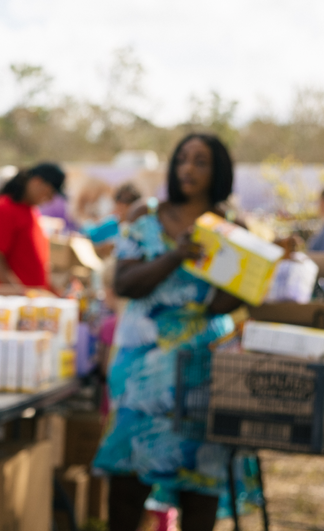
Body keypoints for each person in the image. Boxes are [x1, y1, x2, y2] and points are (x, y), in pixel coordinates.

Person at [92, 134, 253, 531]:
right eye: (182, 159)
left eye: (200, 161)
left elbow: (219, 304)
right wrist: (176, 255)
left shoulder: (231, 228)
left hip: (202, 366)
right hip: (141, 366)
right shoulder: (144, 219)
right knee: (127, 477)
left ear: (218, 171)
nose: (188, 169)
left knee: (200, 480)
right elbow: (126, 284)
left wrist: (261, 270)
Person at [0, 163, 65, 290]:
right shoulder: (3, 209)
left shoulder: (31, 211)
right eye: (49, 193)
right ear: (37, 182)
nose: (49, 199)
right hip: (8, 303)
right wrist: (21, 294)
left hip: (28, 301)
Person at [86, 182, 143, 257]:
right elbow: (88, 236)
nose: (122, 204)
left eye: (128, 201)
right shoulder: (111, 224)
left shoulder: (142, 227)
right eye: (119, 199)